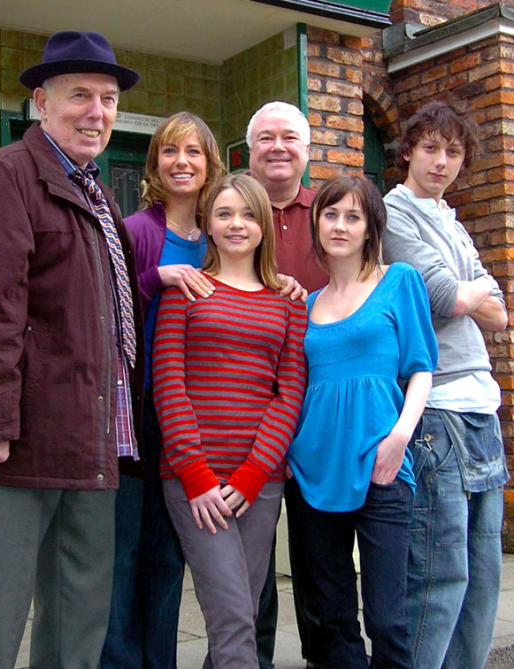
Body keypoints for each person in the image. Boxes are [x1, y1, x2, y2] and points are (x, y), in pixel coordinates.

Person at [0, 29, 142, 669]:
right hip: (21, 442)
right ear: (41, 102)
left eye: (108, 99)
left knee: (78, 615)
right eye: (80, 95)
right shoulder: (5, 178)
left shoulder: (99, 195)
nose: (97, 112)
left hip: (93, 442)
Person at [153, 172, 306, 668]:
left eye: (246, 214)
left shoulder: (287, 300)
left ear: (263, 223)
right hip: (195, 482)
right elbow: (168, 385)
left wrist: (254, 473)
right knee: (233, 620)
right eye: (224, 213)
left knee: (241, 612)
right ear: (209, 224)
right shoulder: (188, 290)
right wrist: (197, 477)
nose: (236, 224)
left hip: (258, 484)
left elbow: (289, 397)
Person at [288, 176, 437, 668]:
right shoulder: (307, 305)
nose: (340, 225)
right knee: (332, 616)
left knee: (388, 618)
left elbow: (420, 369)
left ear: (372, 227)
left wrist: (400, 437)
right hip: (314, 471)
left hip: (383, 464)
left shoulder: (400, 282)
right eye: (330, 214)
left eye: (353, 216)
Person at [382, 100, 508, 669]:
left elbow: (500, 314)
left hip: (482, 405)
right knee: (439, 571)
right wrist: (471, 290)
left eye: (453, 151)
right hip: (436, 409)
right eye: (430, 147)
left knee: (484, 570)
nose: (441, 161)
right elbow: (446, 297)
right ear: (408, 149)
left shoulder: (451, 220)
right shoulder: (394, 214)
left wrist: (473, 293)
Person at [104, 111, 222, 669]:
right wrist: (159, 278)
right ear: (154, 164)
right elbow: (109, 311)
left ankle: (161, 660)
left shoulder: (223, 233)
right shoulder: (137, 232)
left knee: (171, 550)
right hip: (138, 411)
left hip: (196, 415)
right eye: (171, 152)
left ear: (209, 164)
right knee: (125, 549)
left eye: (194, 153)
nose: (182, 163)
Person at [245, 99, 326, 668]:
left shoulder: (330, 212)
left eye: (289, 137)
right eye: (266, 137)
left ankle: (324, 654)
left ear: (306, 150)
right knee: (251, 559)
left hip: (321, 409)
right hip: (249, 408)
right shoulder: (227, 208)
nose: (278, 147)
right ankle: (253, 658)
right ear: (248, 150)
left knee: (318, 552)